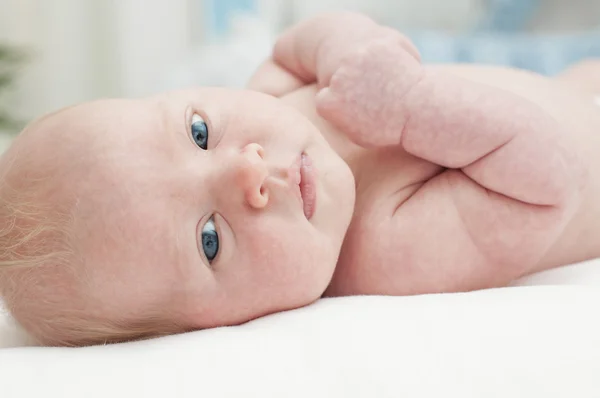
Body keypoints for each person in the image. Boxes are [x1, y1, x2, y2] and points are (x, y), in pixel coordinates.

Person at [0, 12, 598, 347]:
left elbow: (299, 42)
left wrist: (350, 48)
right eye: (210, 239)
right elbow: (550, 184)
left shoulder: (273, 95)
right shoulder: (385, 251)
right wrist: (411, 107)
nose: (248, 169)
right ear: (219, 326)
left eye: (199, 132)